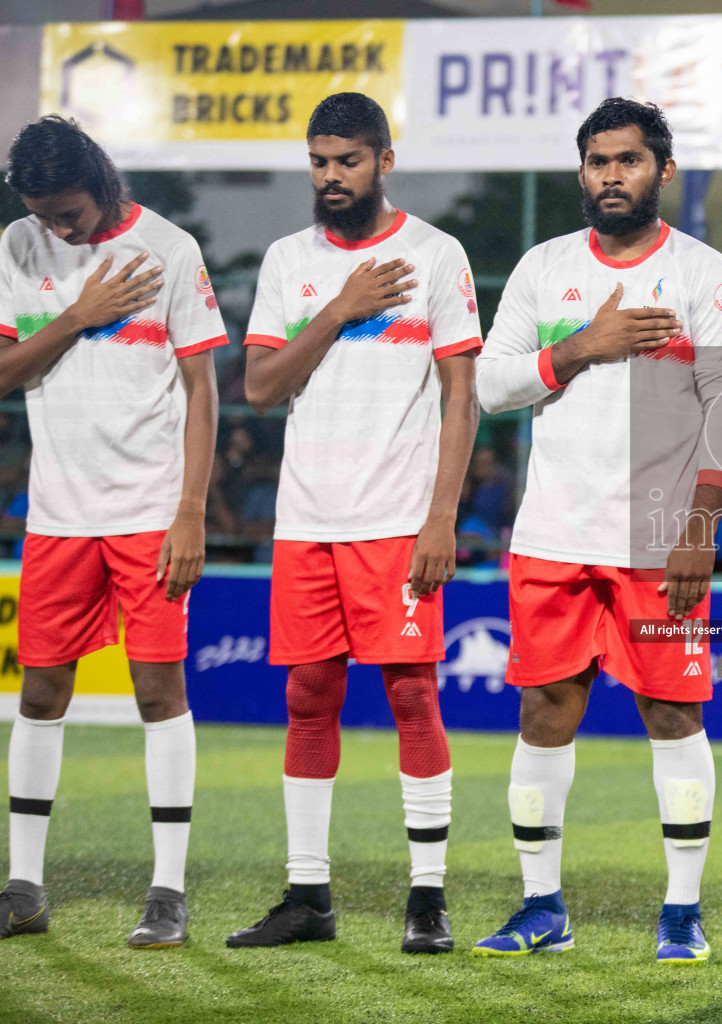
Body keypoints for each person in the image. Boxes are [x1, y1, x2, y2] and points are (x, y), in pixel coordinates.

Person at [472, 98, 722, 963]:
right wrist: (580, 347)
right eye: (597, 162)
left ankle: (681, 912)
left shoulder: (705, 275)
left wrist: (701, 527)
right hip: (553, 533)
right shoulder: (542, 268)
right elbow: (491, 386)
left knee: (672, 714)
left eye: (628, 161)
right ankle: (542, 906)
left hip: (657, 540)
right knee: (545, 710)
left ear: (662, 171)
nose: (610, 176)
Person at [225, 93, 481, 954]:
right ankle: (307, 895)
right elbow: (260, 387)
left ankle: (428, 898)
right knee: (308, 697)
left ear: (383, 160)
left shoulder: (436, 255)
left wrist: (440, 517)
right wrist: (337, 307)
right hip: (307, 521)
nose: (331, 176)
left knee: (412, 694)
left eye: (348, 160)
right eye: (319, 161)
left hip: (396, 522)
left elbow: (461, 397)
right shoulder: (288, 261)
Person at [0, 115, 225, 947]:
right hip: (58, 515)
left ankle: (167, 890)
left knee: (159, 694)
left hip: (148, 515)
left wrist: (191, 511)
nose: (59, 228)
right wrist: (76, 315)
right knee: (41, 694)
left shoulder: (169, 248)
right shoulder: (17, 249)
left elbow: (203, 389)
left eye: (69, 212)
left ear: (100, 181)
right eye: (45, 214)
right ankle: (23, 885)